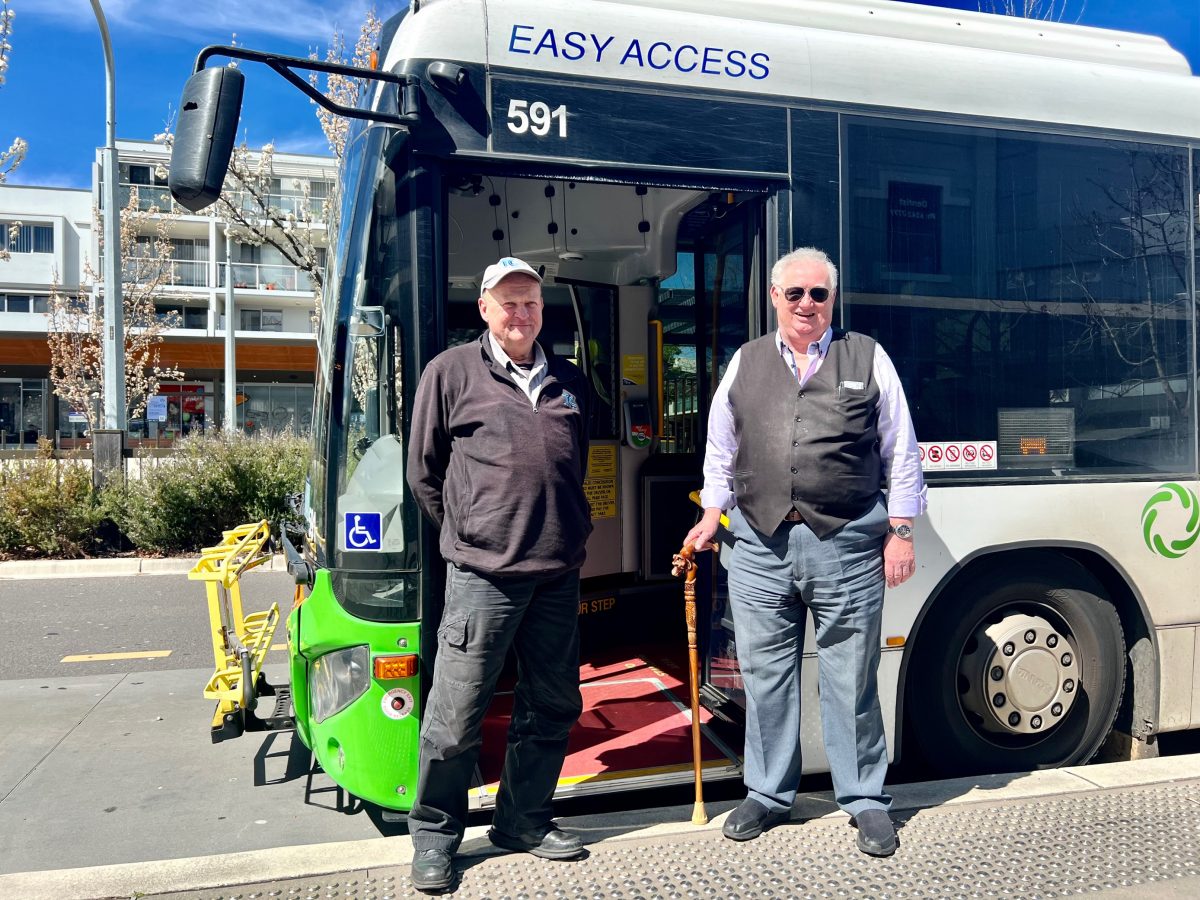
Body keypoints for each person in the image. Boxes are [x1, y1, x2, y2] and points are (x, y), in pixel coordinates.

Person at [682, 246, 926, 857]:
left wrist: (901, 531)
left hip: (845, 542)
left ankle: (865, 798)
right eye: (795, 293)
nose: (807, 304)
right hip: (759, 544)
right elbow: (721, 445)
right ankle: (767, 793)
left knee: (850, 675)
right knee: (766, 676)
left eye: (819, 294)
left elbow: (900, 448)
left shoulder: (867, 357)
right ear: (773, 297)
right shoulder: (746, 362)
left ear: (832, 299)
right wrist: (712, 513)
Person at [406, 256, 593, 892]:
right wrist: (468, 535)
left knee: (552, 704)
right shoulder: (451, 372)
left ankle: (523, 820)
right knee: (456, 714)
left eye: (531, 303)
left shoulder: (569, 379)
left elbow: (574, 463)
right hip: (483, 576)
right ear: (484, 308)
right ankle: (435, 835)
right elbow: (424, 473)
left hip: (557, 574)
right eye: (508, 302)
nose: (521, 314)